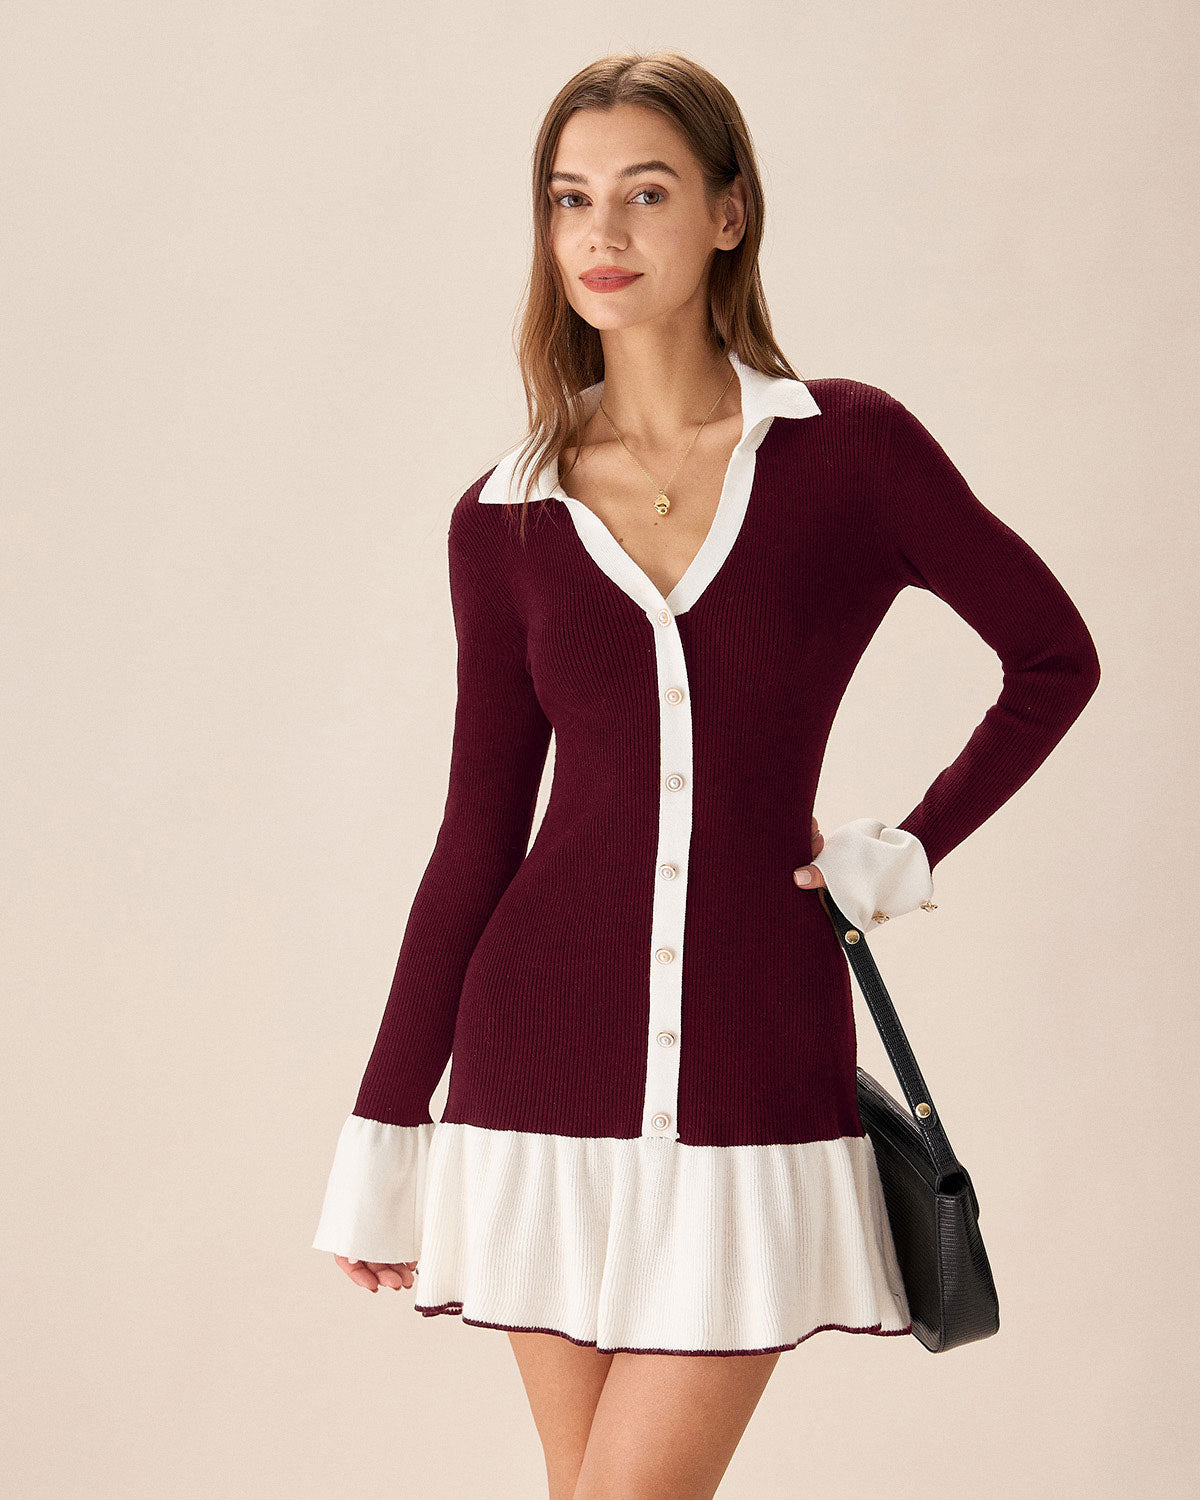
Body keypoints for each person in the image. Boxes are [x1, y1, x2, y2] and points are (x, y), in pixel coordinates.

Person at [312, 50, 1101, 1500]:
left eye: (647, 193)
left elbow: (1054, 658)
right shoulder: (504, 517)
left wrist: (902, 851)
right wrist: (385, 1126)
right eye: (570, 199)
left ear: (729, 214)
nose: (601, 234)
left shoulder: (849, 453)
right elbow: (477, 839)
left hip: (755, 1064)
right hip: (537, 1061)